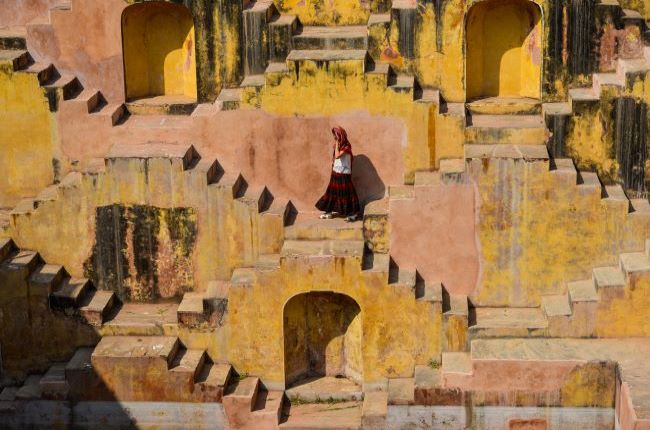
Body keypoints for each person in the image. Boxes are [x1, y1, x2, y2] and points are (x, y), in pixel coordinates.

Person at [316, 126, 360, 222]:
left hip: (344, 173)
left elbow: (337, 156)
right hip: (336, 172)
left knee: (347, 193)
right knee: (331, 192)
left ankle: (353, 213)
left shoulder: (346, 146)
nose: (335, 138)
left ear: (341, 136)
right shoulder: (339, 146)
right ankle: (328, 212)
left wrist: (336, 144)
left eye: (336, 136)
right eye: (334, 136)